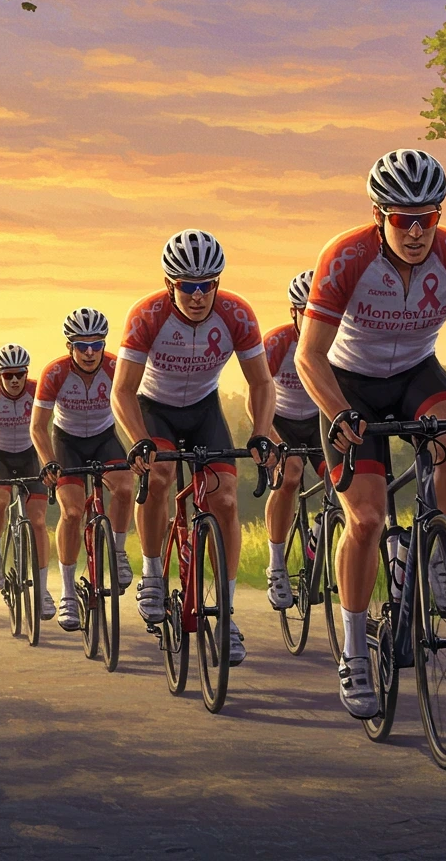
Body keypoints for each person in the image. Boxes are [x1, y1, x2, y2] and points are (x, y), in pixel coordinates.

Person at [295, 149, 446, 719]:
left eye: (428, 217)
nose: (418, 231)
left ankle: (435, 556)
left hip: (417, 371)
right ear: (380, 216)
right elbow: (309, 356)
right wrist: (339, 412)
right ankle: (352, 651)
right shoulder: (346, 255)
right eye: (403, 219)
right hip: (350, 385)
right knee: (367, 519)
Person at [111, 229, 277, 667]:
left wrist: (261, 430)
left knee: (223, 497)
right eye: (188, 285)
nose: (199, 295)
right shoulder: (147, 314)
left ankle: (226, 615)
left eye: (207, 285)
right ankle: (151, 574)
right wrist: (139, 440)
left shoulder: (237, 313)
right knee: (160, 475)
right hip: (155, 410)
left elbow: (261, 381)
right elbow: (122, 391)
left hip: (204, 409)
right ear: (171, 284)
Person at [30, 308, 135, 632]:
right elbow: (38, 427)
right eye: (81, 345)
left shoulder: (116, 367)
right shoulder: (55, 373)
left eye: (96, 344)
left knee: (125, 488)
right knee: (73, 513)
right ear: (69, 346)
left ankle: (117, 553)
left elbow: (136, 403)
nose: (90, 352)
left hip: (104, 438)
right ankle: (66, 592)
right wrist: (49, 461)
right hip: (67, 442)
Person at [0, 343, 54, 620]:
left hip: (30, 454)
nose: (15, 380)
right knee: (0, 501)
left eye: (19, 374)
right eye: (8, 375)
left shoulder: (36, 390)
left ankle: (42, 590)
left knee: (38, 520)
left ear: (26, 373)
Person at [261, 270, 327, 610]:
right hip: (282, 419)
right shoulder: (276, 342)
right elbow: (257, 392)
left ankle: (320, 530)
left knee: (345, 480)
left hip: (320, 420)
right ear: (294, 313)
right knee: (290, 474)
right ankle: (276, 564)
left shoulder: (338, 338)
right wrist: (268, 438)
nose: (315, 319)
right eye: (307, 312)